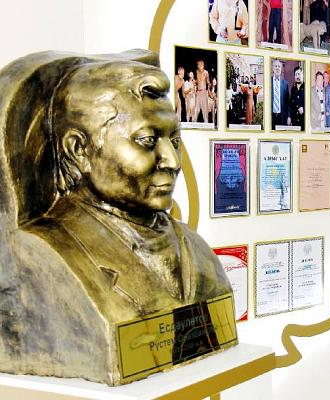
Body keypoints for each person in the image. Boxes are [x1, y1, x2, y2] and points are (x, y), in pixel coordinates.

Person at [0, 50, 233, 385]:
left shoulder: (198, 252)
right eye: (147, 141)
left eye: (174, 140)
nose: (171, 161)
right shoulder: (46, 253)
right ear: (79, 150)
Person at [271, 59, 289, 129]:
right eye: (275, 66)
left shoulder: (285, 84)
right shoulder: (268, 82)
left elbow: (288, 102)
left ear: (281, 69)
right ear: (273, 69)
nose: (277, 68)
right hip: (271, 117)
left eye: (279, 66)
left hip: (282, 117)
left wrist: (288, 116)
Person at [289, 65, 305, 130]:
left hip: (304, 121)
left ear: (303, 75)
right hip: (295, 121)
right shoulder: (293, 88)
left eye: (299, 74)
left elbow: (313, 105)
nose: (297, 76)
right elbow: (290, 104)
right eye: (296, 75)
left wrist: (304, 108)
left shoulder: (307, 87)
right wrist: (289, 117)